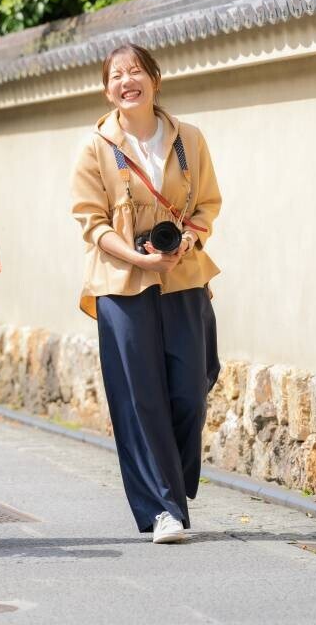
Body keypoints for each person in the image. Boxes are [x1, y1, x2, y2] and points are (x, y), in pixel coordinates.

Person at [70, 43, 222, 544]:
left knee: (189, 392)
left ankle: (171, 484)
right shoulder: (96, 147)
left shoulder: (189, 139)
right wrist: (138, 258)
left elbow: (206, 205)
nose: (126, 81)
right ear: (106, 88)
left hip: (184, 276)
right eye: (116, 75)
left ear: (155, 80)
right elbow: (90, 222)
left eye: (136, 71)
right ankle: (163, 509)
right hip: (121, 283)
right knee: (141, 398)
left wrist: (187, 241)